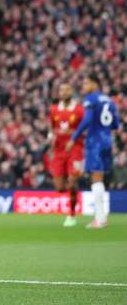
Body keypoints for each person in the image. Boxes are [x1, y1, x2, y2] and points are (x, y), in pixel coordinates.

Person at [68, 75, 120, 229]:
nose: (83, 86)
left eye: (85, 82)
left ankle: (100, 219)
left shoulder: (91, 99)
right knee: (100, 178)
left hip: (94, 142)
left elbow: (87, 119)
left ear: (95, 84)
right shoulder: (109, 100)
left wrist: (74, 137)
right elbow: (116, 124)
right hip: (107, 141)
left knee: (96, 179)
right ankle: (101, 217)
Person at [49, 82, 84, 227]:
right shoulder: (54, 109)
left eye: (66, 89)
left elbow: (84, 128)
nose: (63, 92)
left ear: (72, 92)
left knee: (71, 181)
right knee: (59, 187)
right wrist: (51, 137)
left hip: (75, 149)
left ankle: (71, 214)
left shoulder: (79, 110)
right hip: (58, 150)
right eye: (61, 89)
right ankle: (73, 192)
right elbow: (52, 127)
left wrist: (75, 136)